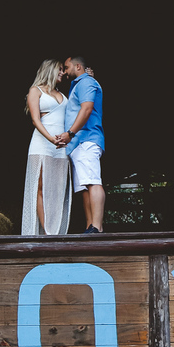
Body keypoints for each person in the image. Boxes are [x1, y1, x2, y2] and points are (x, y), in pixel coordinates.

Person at [54, 56, 105, 233]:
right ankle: (89, 227)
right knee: (84, 187)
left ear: (77, 67)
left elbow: (87, 108)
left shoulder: (86, 82)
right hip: (77, 144)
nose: (65, 71)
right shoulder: (78, 84)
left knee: (93, 181)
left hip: (86, 139)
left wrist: (70, 133)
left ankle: (97, 227)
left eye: (67, 67)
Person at [22, 59, 72, 235]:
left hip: (61, 146)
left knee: (58, 189)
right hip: (42, 144)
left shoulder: (62, 94)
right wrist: (51, 138)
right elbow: (35, 120)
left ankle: (56, 229)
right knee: (41, 187)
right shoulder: (35, 91)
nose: (63, 73)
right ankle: (48, 231)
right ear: (50, 70)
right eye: (60, 69)